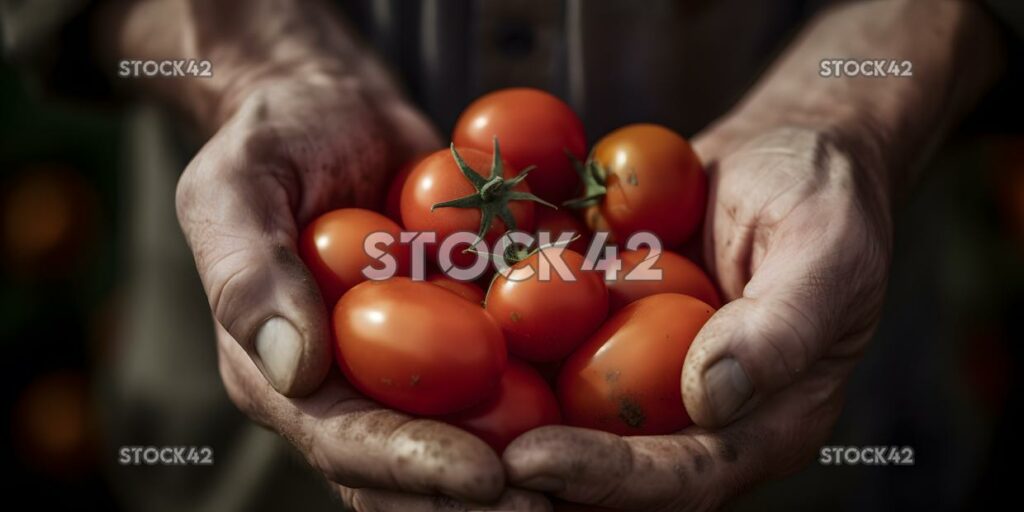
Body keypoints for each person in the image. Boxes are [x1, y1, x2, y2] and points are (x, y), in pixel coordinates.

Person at [2, 0, 1014, 510]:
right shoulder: (493, 243)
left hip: (826, 434)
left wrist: (847, 111)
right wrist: (250, 59)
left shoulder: (528, 233)